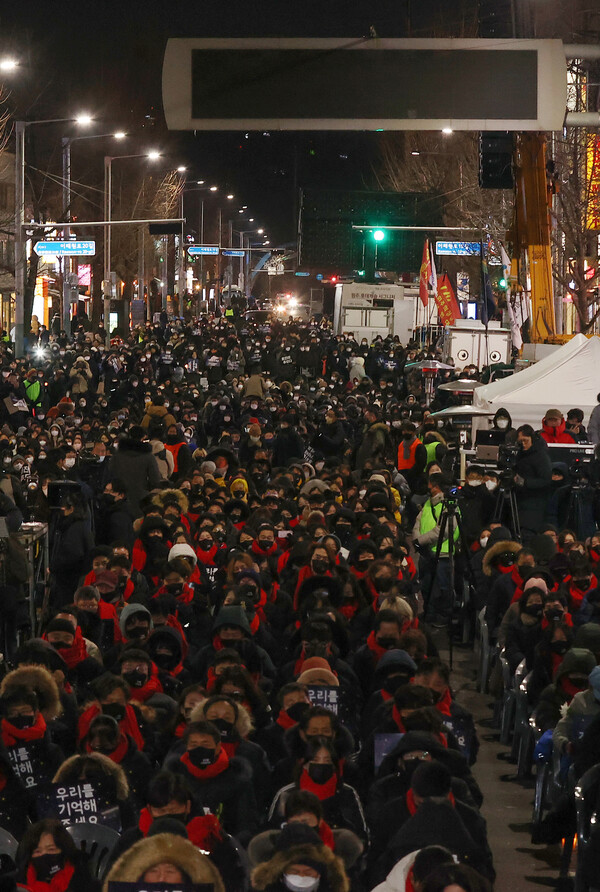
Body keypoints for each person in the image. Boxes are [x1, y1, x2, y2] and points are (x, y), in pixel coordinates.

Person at [16, 818, 101, 892]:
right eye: (37, 851)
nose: (44, 855)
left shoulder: (86, 884)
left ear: (64, 850)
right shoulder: (16, 886)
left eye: (51, 849)